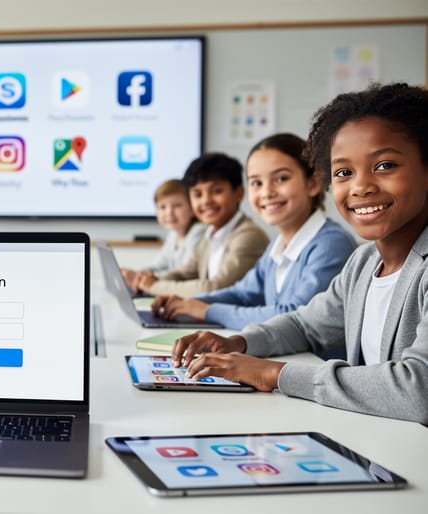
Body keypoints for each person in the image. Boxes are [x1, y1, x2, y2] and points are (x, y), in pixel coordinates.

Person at [172, 83, 428, 424]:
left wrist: (274, 374)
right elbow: (304, 325)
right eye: (344, 172)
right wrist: (238, 344)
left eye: (384, 166)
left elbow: (418, 390)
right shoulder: (364, 264)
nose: (360, 186)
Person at [151, 134, 357, 330]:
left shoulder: (331, 244)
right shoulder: (277, 246)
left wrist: (207, 311)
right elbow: (243, 294)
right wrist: (186, 303)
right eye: (257, 183)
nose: (267, 192)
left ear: (313, 183)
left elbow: (294, 316)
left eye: (281, 178)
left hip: (315, 365)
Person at [137, 153, 270, 296]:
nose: (206, 201)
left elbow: (214, 289)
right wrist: (152, 281)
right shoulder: (211, 235)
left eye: (216, 191)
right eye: (198, 194)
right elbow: (183, 273)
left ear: (239, 193)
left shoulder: (249, 236)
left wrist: (154, 286)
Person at [121, 179, 206, 292]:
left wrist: (146, 279)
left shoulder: (198, 232)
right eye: (162, 207)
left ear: (192, 209)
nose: (169, 212)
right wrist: (139, 275)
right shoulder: (173, 235)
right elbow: (157, 266)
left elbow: (186, 274)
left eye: (177, 206)